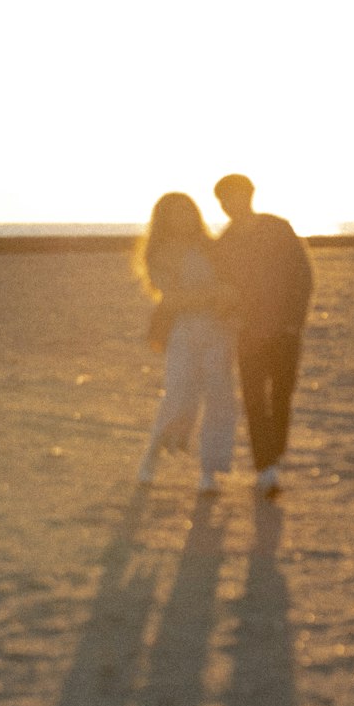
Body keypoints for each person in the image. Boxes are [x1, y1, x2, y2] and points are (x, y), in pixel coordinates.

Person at [213, 174, 313, 496]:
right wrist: (234, 321)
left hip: (285, 331)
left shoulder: (278, 228)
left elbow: (303, 275)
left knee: (282, 397)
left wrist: (294, 321)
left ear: (250, 194)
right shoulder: (223, 243)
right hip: (248, 336)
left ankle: (274, 456)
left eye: (236, 195)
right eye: (225, 199)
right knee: (255, 401)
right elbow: (220, 290)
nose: (231, 204)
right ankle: (266, 468)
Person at [135, 192, 238, 495]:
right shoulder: (159, 252)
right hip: (182, 329)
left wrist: (219, 296)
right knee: (178, 395)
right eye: (175, 213)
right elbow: (173, 297)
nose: (183, 218)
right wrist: (213, 294)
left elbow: (232, 288)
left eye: (187, 211)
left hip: (218, 329)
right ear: (164, 218)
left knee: (220, 397)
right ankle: (152, 455)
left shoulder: (211, 247)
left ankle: (210, 471)